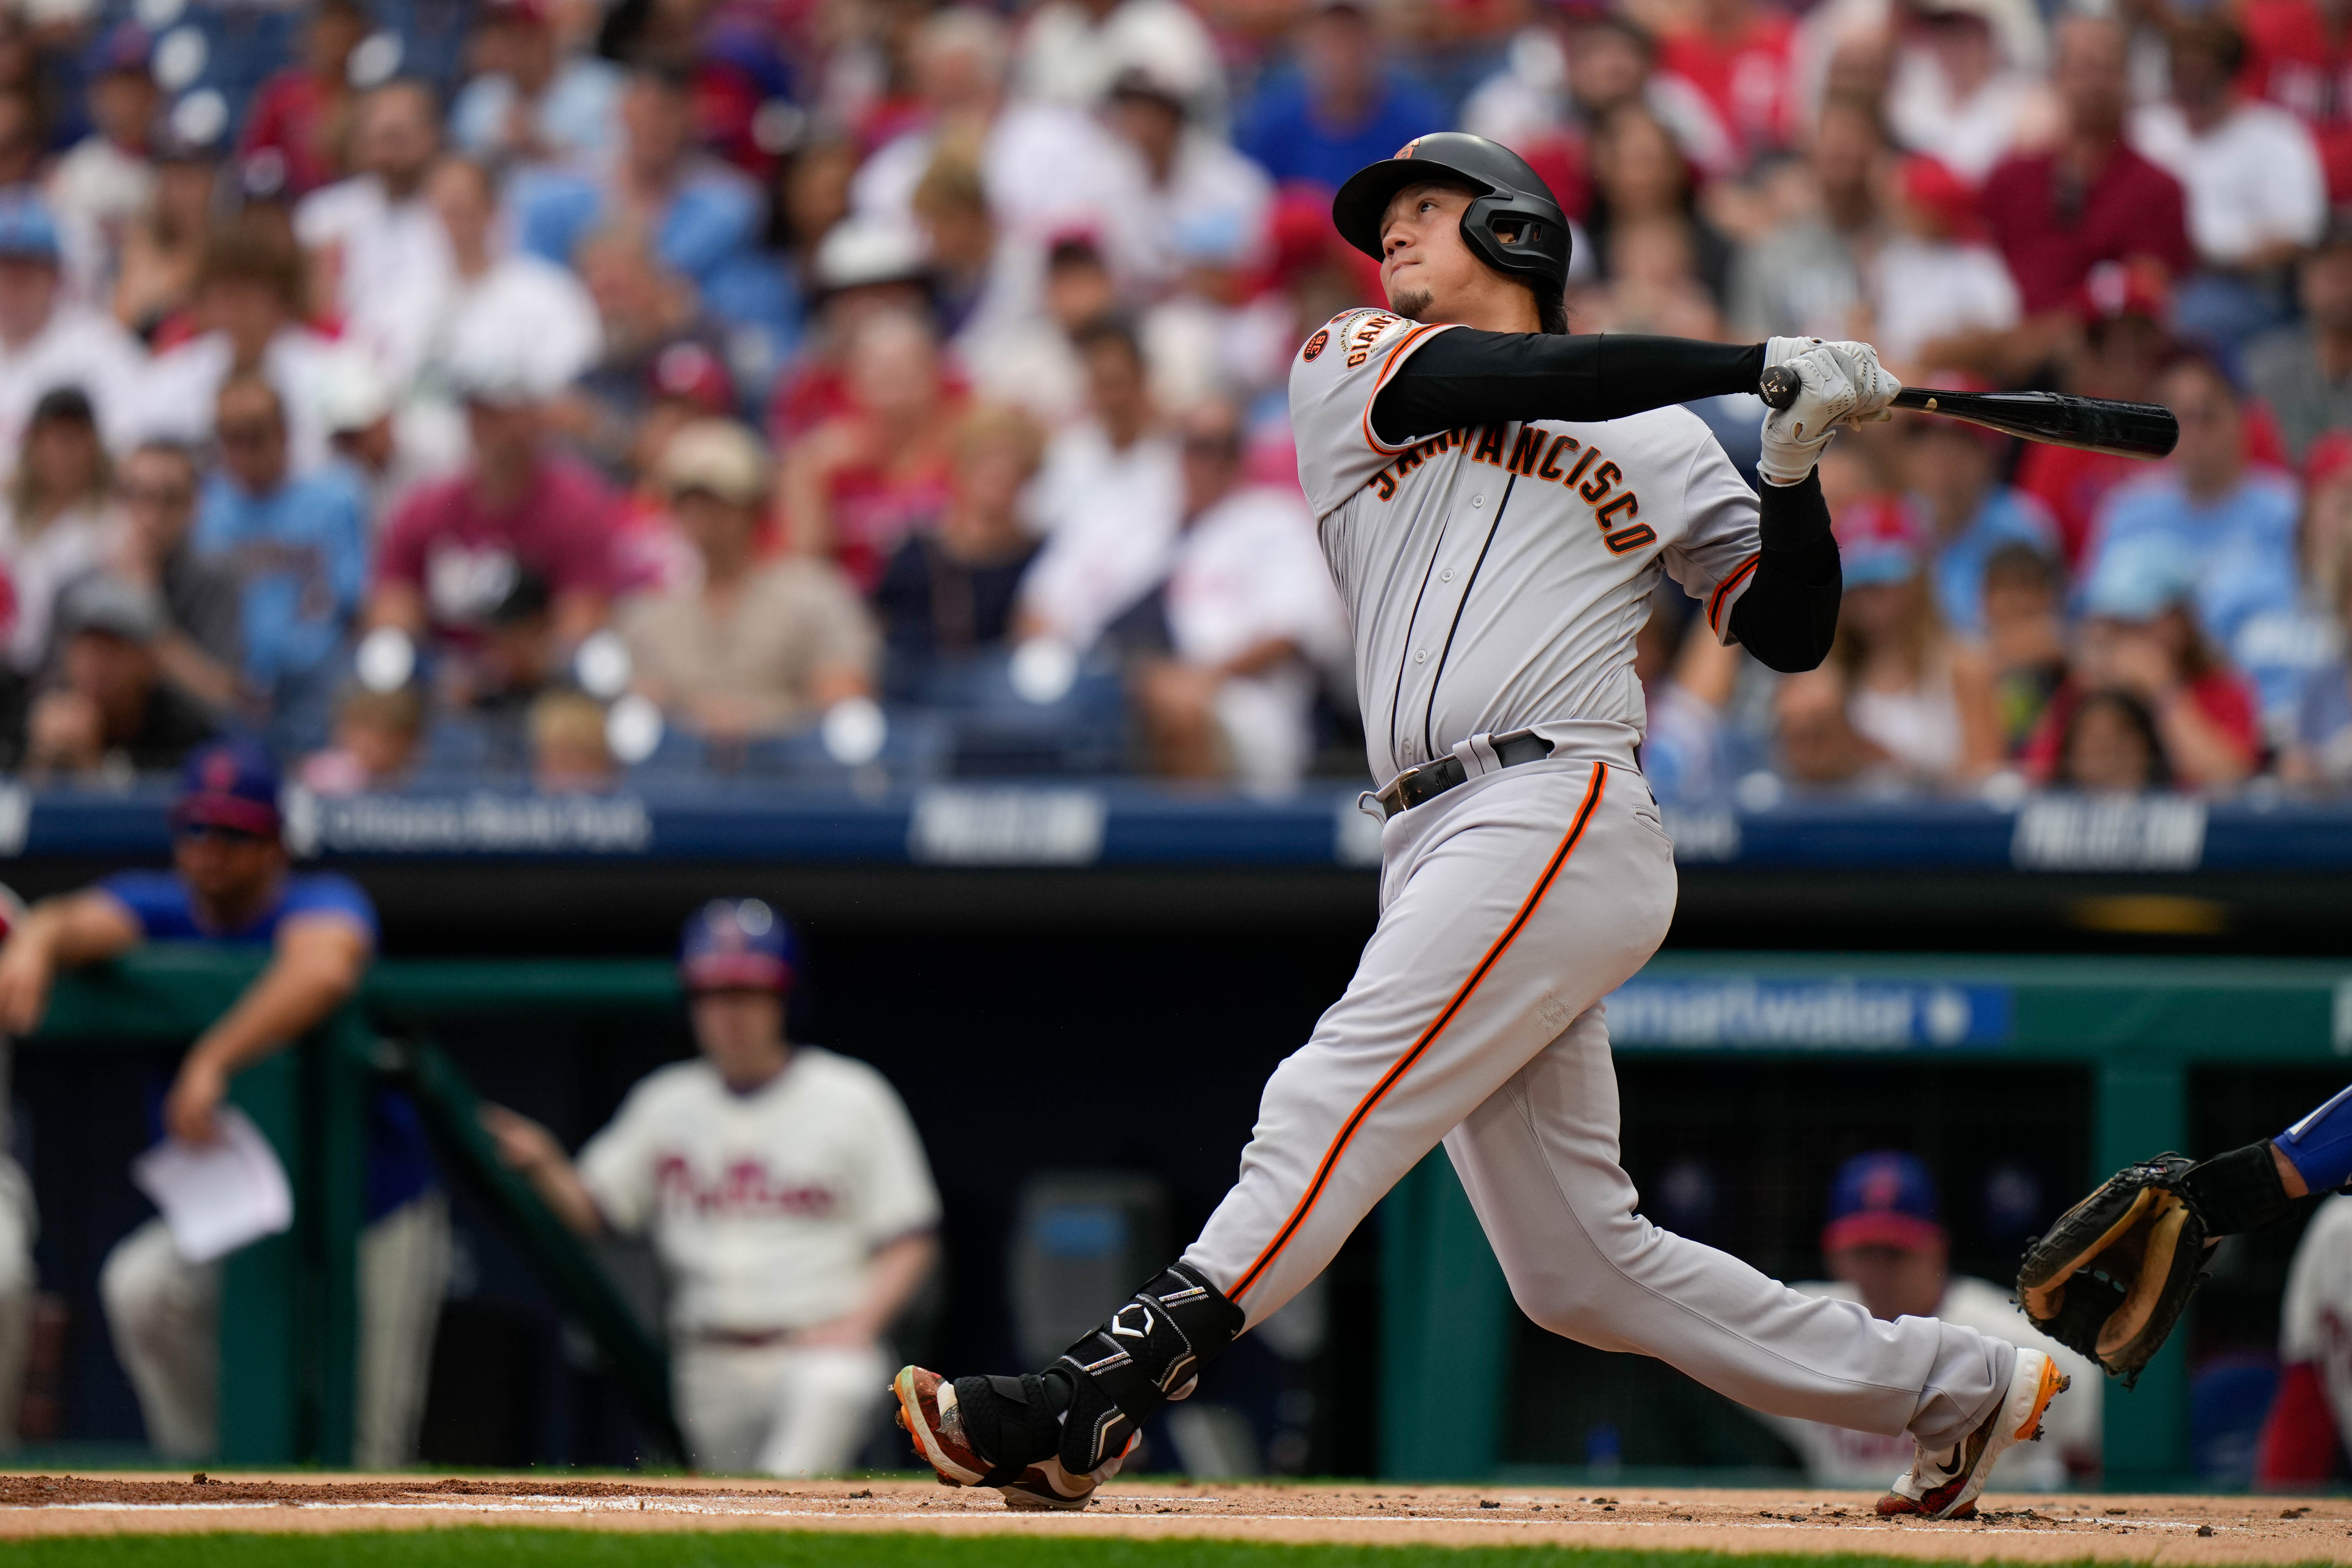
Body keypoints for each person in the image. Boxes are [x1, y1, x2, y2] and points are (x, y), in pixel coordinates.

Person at [891, 133, 2069, 1522]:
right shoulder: (1351, 359)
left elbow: (1790, 632)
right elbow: (1529, 375)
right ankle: (1958, 1385)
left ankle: (1107, 1386)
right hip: (1430, 829)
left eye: (1425, 214)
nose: (1387, 240)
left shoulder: (1660, 441)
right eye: (1383, 221)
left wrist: (1793, 462)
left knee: (1326, 1092)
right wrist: (1751, 362)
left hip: (1554, 798)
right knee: (1579, 1271)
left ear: (1513, 235)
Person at [0, 741, 445, 1466]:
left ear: (274, 846)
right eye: (196, 828)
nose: (209, 850)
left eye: (234, 833)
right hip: (240, 1214)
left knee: (367, 1457)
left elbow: (326, 967)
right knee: (144, 1291)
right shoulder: (161, 903)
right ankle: (215, 1483)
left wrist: (214, 1057)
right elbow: (72, 918)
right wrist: (36, 943)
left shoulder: (319, 900)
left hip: (368, 1210)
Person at [486, 899, 941, 1476]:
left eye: (748, 993)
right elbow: (595, 1208)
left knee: (800, 1457)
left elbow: (910, 1236)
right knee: (729, 1506)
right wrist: (545, 1161)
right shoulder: (666, 1101)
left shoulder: (852, 1095)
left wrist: (859, 1323)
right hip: (707, 1357)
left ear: (783, 999)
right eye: (714, 994)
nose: (730, 1013)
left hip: (817, 1349)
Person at [1760, 1153, 2100, 1489]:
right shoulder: (1810, 1326)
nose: (1879, 1269)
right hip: (1846, 1529)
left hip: (1985, 1530)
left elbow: (2100, 1445)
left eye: (1896, 1251)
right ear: (1832, 1253)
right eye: (1864, 1251)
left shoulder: (2016, 1341)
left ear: (1937, 1246)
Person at [1116, 398, 1348, 790]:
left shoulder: (1275, 519)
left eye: (1221, 447)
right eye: (1195, 446)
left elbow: (1293, 631)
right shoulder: (1147, 522)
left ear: (1240, 456)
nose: (1206, 461)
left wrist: (1197, 679)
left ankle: (1193, 849)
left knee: (1177, 706)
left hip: (1247, 706)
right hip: (1143, 685)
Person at [620, 419, 875, 741]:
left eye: (718, 500)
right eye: (688, 500)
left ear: (753, 508)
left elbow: (844, 700)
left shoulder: (815, 593)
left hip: (790, 773)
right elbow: (642, 709)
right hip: (686, 774)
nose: (701, 514)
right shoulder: (651, 612)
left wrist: (756, 722)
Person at [368, 342, 619, 670]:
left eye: (501, 414)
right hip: (441, 682)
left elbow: (580, 625)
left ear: (534, 417)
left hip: (539, 682)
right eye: (477, 412)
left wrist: (509, 668)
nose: (487, 428)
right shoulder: (425, 508)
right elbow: (392, 609)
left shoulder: (576, 508)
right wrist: (413, 662)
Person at [2082, 353, 2302, 723]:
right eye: (2180, 419)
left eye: (2208, 416)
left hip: (2269, 708)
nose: (2195, 434)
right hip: (2145, 715)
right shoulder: (2127, 512)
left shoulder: (2288, 511)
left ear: (2241, 419)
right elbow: (2093, 625)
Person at [1980, 17, 2192, 358]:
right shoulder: (2010, 177)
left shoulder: (2158, 187)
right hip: (2003, 346)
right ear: (2057, 78)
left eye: (2108, 69)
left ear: (2128, 80)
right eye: (2083, 68)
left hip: (2100, 358)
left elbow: (2145, 290)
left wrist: (2042, 338)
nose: (2095, 83)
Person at [193, 375, 370, 754]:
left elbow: (354, 600)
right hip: (229, 698)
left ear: (284, 432)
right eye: (230, 437)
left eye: (255, 435)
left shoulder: (337, 497)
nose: (242, 451)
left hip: (317, 693)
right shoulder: (202, 505)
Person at [2128, 17, 2328, 345]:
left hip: (2241, 286)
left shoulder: (2276, 136)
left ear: (2231, 76)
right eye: (2181, 77)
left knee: (2190, 319)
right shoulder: (2147, 130)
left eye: (2201, 78)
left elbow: (2298, 236)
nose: (2189, 88)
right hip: (2150, 276)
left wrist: (2219, 258)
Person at [1014, 318, 1181, 652]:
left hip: (1136, 630)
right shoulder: (1071, 452)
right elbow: (1044, 536)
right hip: (1053, 622)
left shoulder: (1176, 460)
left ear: (1143, 381)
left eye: (1118, 383)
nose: (1111, 398)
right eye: (1100, 384)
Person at [1828, 498, 2004, 788]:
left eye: (1883, 580)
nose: (1869, 596)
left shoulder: (1962, 666)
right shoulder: (1832, 678)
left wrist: (1898, 768)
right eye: (1859, 583)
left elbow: (1987, 777)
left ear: (1917, 579)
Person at [874, 404, 1048, 692]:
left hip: (1006, 694)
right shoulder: (917, 552)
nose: (998, 475)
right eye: (985, 462)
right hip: (923, 692)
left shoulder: (1042, 557)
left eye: (1012, 466)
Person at [294, 79, 453, 389]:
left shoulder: (457, 212)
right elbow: (315, 307)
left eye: (397, 138)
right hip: (345, 370)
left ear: (430, 136)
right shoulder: (325, 216)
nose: (386, 153)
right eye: (376, 139)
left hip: (437, 366)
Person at [1233, 0, 1451, 194]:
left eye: (1354, 35)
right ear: (1304, 42)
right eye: (1330, 37)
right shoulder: (1271, 122)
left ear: (1378, 42)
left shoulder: (1418, 123)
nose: (1343, 53)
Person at [14, 576, 216, 778]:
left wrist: (90, 764)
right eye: (85, 648)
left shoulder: (183, 735)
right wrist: (43, 758)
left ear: (147, 662)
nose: (95, 665)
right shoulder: (36, 717)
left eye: (112, 650)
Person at [0, 194, 142, 468]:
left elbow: (127, 450)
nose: (10, 289)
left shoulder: (103, 350)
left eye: (24, 275)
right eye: (3, 273)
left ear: (55, 278)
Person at [106, 440, 242, 716]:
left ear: (194, 505)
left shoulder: (216, 581)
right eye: (140, 496)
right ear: (119, 501)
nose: (153, 517)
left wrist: (144, 605)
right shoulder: (84, 584)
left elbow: (223, 696)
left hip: (185, 747)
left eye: (171, 499)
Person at [0, 387, 122, 678]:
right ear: (33, 445)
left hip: (61, 671)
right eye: (52, 437)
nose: (62, 451)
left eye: (74, 439)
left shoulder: (114, 524)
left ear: (94, 446)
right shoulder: (7, 516)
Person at [1905, 418, 2056, 637]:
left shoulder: (2022, 525)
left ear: (1987, 456)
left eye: (1956, 451)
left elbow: (2047, 631)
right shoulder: (1897, 521)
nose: (1942, 466)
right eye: (1931, 448)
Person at [447, 0, 622, 168]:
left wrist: (541, 148)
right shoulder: (479, 97)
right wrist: (498, 147)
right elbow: (460, 173)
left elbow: (616, 168)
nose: (518, 47)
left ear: (550, 35)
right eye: (510, 35)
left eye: (529, 34)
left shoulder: (602, 89)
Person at [236, 0, 372, 200]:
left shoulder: (368, 96)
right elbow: (256, 157)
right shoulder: (282, 93)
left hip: (351, 201)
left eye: (344, 31)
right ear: (312, 34)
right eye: (329, 30)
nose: (336, 39)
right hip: (291, 202)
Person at [2245, 217, 2352, 466]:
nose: (2343, 283)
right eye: (2330, 269)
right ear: (2303, 283)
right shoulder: (2264, 368)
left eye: (2349, 268)